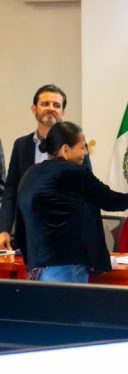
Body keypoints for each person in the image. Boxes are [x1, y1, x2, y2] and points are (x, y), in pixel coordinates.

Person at [15, 121, 128, 283]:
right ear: (65, 150)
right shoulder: (74, 172)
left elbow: (21, 223)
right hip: (66, 266)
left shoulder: (30, 174)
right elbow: (109, 200)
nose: (86, 153)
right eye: (82, 147)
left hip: (36, 266)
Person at [0, 84, 92, 252]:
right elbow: (11, 191)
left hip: (66, 236)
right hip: (26, 238)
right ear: (34, 109)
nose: (51, 108)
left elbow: (87, 190)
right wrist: (4, 229)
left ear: (63, 112)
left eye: (56, 105)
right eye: (45, 104)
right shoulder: (21, 145)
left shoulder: (77, 145)